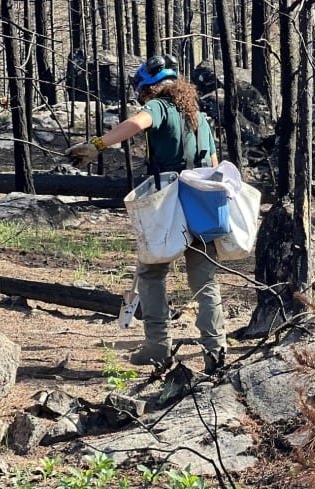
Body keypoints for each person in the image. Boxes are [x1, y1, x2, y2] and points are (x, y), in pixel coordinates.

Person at [65, 54, 226, 375]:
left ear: (147, 87)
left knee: (152, 273)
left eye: (140, 91)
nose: (139, 97)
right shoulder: (201, 117)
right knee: (205, 281)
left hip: (168, 203)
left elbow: (137, 123)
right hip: (203, 203)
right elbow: (214, 165)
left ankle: (158, 346)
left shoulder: (159, 107)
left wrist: (96, 144)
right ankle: (216, 350)